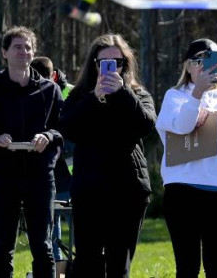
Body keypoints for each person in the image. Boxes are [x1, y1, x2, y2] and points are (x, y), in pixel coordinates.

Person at [58, 34, 156, 277]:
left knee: (118, 266)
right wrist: (94, 99)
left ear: (126, 64)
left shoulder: (137, 94)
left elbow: (146, 126)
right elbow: (68, 128)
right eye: (105, 63)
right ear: (94, 64)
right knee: (86, 264)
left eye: (118, 62)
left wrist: (123, 94)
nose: (112, 68)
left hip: (128, 191)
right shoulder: (80, 96)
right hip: (89, 191)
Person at [157, 38, 217, 278]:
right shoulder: (174, 97)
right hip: (182, 190)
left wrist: (216, 114)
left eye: (209, 60)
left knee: (216, 267)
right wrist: (198, 94)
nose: (202, 66)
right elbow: (182, 126)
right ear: (187, 67)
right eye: (197, 61)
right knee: (187, 266)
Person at [0, 27, 63, 278]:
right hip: (4, 178)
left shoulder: (50, 90)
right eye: (17, 47)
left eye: (28, 47)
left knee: (43, 247)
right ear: (4, 52)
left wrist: (48, 136)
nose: (24, 51)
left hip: (41, 177)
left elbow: (63, 129)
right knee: (3, 247)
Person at [31, 56, 75, 277]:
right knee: (50, 229)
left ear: (54, 76)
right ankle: (56, 272)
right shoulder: (31, 93)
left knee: (79, 228)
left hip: (72, 173)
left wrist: (55, 142)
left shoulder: (71, 93)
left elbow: (74, 132)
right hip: (48, 174)